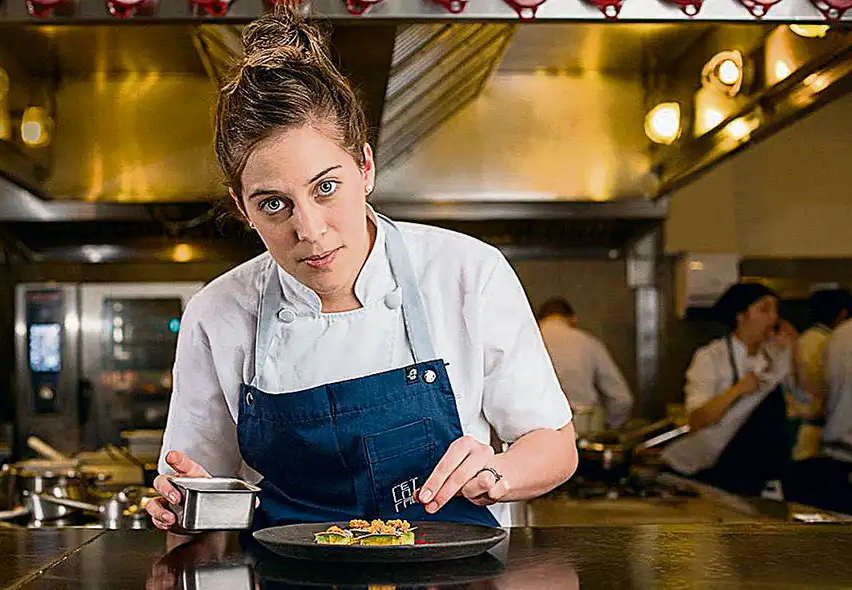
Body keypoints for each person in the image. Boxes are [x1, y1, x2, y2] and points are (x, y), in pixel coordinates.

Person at [145, 8, 577, 533]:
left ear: (365, 168)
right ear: (242, 207)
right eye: (273, 205)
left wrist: (501, 472)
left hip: (456, 576)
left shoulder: (467, 273)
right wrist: (182, 503)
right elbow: (198, 481)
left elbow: (554, 445)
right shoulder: (217, 313)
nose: (309, 229)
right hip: (286, 577)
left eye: (326, 187)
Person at [662, 282, 805, 498]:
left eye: (776, 310)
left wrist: (795, 351)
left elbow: (806, 396)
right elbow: (698, 419)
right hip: (713, 470)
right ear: (741, 316)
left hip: (760, 473)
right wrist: (737, 390)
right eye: (765, 309)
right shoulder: (711, 357)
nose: (774, 317)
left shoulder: (775, 356)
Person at [536, 297, 634, 431]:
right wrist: (610, 425)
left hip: (537, 432)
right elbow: (622, 399)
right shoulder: (589, 342)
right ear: (573, 319)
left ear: (538, 321)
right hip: (584, 428)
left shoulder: (527, 343)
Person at [791, 288, 852, 461]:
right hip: (812, 437)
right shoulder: (825, 341)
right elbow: (817, 392)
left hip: (814, 436)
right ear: (842, 314)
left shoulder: (808, 339)